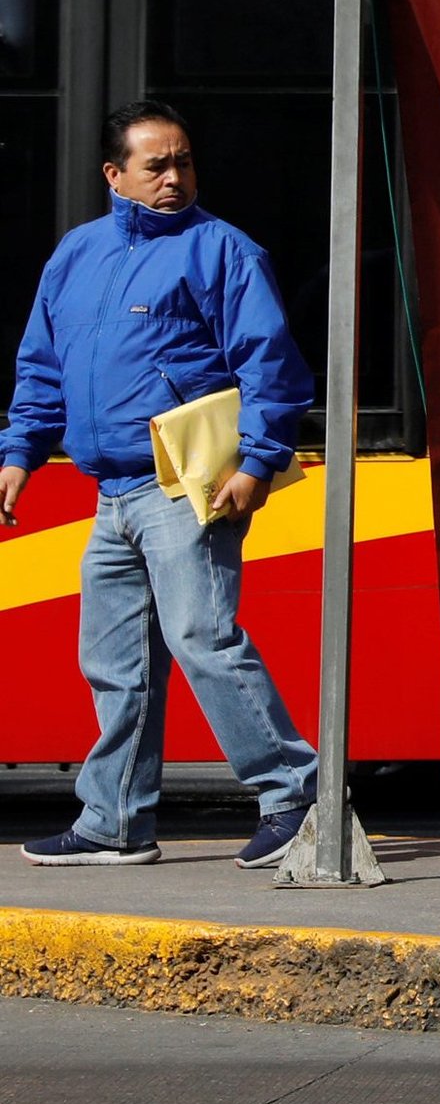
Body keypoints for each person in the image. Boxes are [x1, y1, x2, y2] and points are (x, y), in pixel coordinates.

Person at [1, 101, 319, 868]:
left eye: (184, 163)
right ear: (115, 175)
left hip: (188, 485)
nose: (175, 178)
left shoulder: (224, 251)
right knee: (116, 663)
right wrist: (20, 452)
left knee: (204, 639)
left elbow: (270, 367)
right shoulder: (76, 255)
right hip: (109, 494)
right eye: (156, 165)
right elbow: (42, 367)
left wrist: (256, 462)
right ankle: (113, 822)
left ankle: (296, 798)